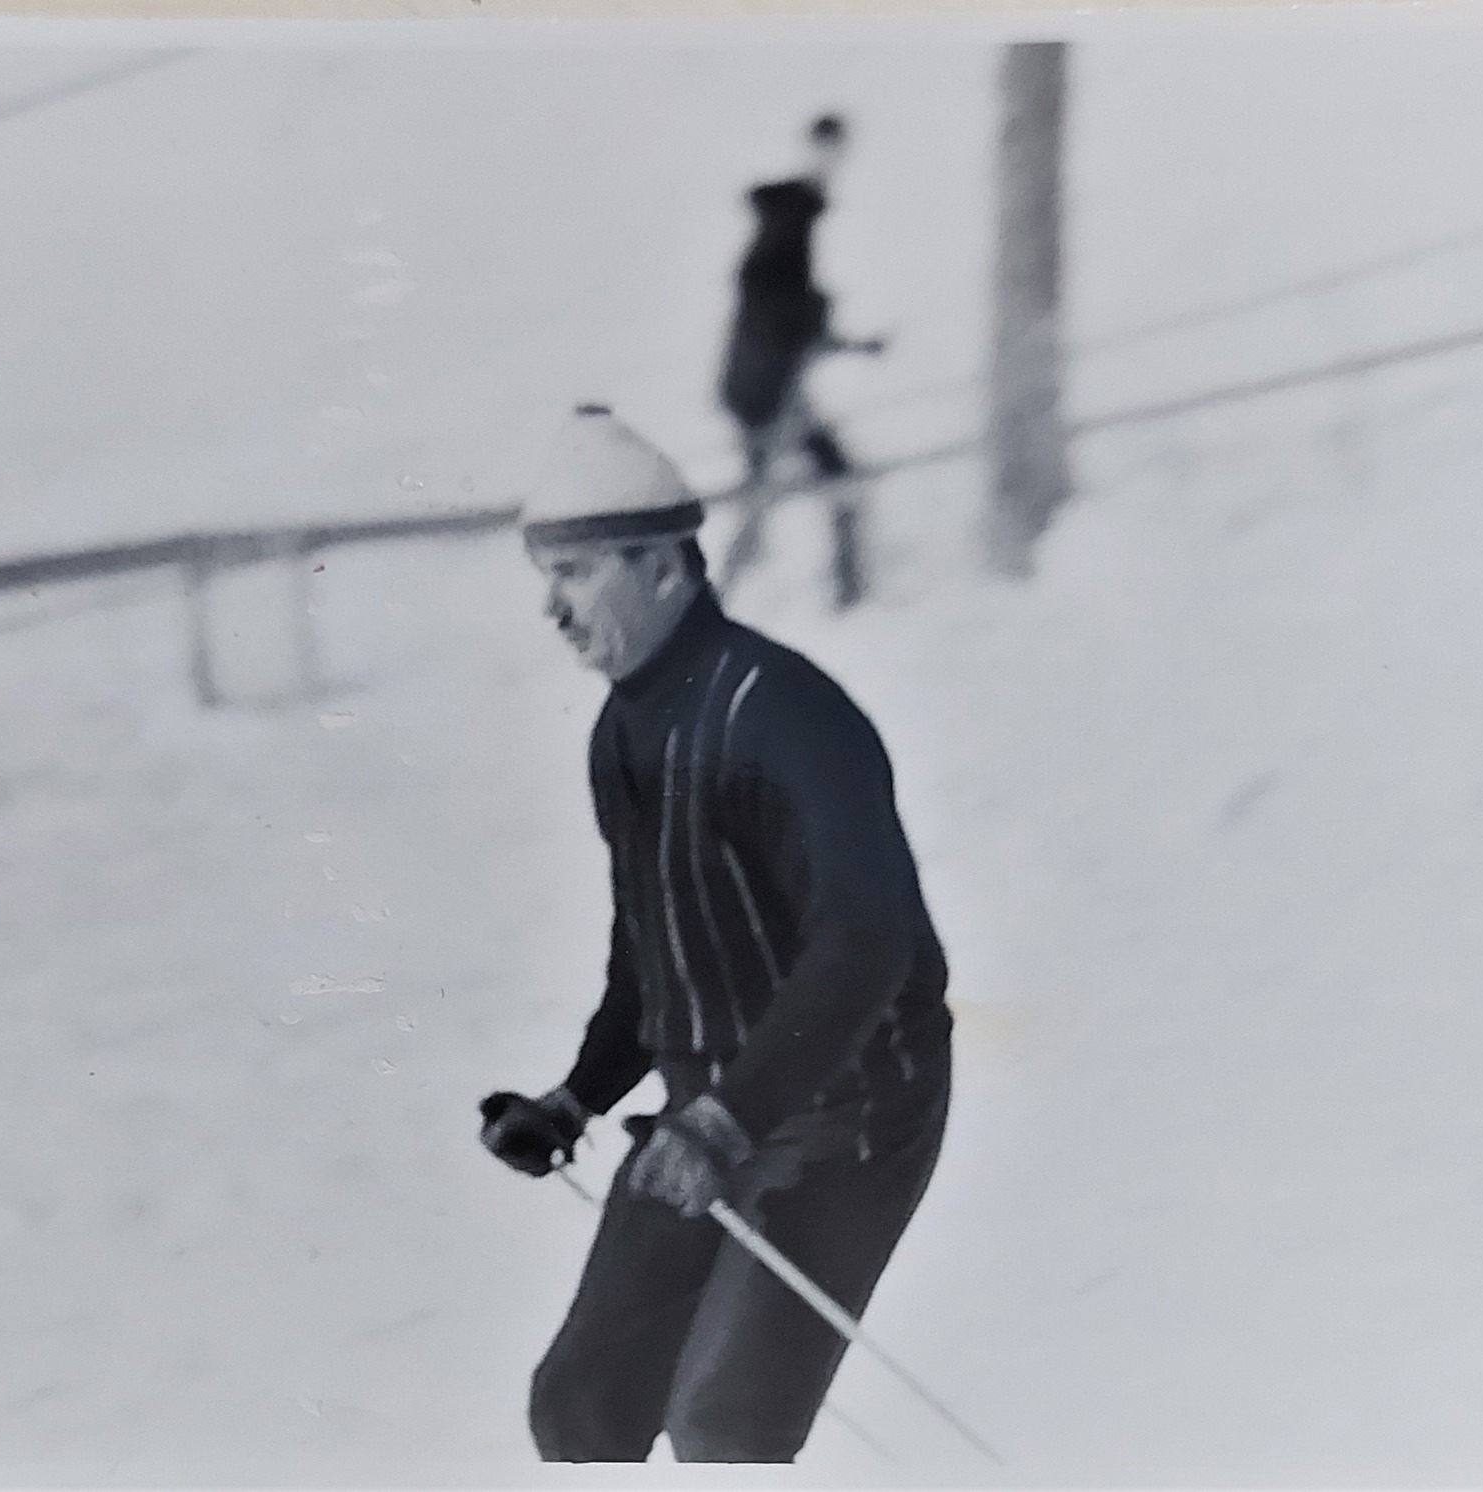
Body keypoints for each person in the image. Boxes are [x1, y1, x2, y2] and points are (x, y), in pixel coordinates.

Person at [479, 404, 953, 1463]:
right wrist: (575, 1097)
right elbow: (654, 950)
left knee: (724, 1427)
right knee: (578, 1403)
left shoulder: (783, 712)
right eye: (545, 578)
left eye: (578, 573)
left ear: (662, 569)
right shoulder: (621, 732)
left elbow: (865, 939)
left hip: (845, 1115)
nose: (553, 611)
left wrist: (728, 1121)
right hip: (711, 1113)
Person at [718, 113, 888, 610]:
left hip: (766, 388)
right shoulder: (788, 224)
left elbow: (789, 323)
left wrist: (849, 341)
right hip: (766, 392)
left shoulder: (792, 222)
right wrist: (817, 313)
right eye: (828, 150)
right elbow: (771, 311)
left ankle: (846, 593)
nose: (834, 164)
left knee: (772, 497)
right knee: (821, 484)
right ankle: (848, 596)